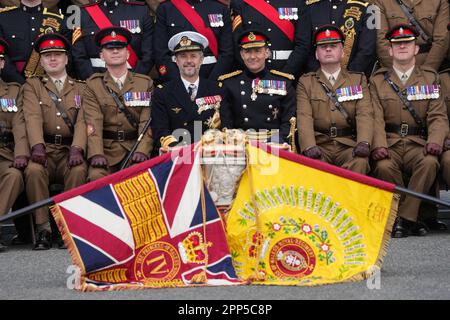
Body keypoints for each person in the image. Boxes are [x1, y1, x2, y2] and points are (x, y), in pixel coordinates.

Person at [370, 24, 448, 238]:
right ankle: (411, 218)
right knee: (384, 167)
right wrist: (378, 145)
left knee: (430, 162)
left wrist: (435, 140)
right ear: (390, 51)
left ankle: (402, 219)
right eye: (397, 44)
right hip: (390, 142)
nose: (402, 46)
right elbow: (374, 117)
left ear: (416, 50)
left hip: (418, 142)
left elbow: (438, 115)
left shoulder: (431, 78)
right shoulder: (377, 81)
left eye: (408, 43)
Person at [21, 33, 87, 250]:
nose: (52, 59)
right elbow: (32, 116)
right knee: (33, 171)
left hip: (70, 149)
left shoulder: (82, 87)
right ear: (41, 61)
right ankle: (43, 230)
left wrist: (77, 147)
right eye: (47, 55)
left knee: (78, 171)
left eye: (57, 55)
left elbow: (83, 121)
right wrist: (37, 146)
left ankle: (68, 228)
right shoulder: (32, 86)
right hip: (45, 148)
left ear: (66, 59)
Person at [297, 25, 373, 174]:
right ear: (316, 54)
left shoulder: (358, 80)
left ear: (343, 52)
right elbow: (304, 117)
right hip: (320, 145)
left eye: (333, 46)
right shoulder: (306, 82)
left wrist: (364, 142)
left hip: (348, 145)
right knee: (313, 166)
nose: (328, 49)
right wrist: (308, 146)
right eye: (323, 46)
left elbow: (365, 114)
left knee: (360, 162)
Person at [83, 26, 154, 181]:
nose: (115, 51)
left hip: (134, 148)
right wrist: (96, 153)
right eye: (110, 49)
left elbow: (147, 122)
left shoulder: (145, 83)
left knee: (139, 178)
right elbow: (93, 122)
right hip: (106, 151)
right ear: (101, 56)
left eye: (120, 48)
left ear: (128, 53)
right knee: (96, 177)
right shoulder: (93, 85)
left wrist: (143, 150)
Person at [219, 30, 296, 144]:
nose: (253, 56)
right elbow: (226, 122)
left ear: (267, 53)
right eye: (248, 51)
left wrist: (274, 142)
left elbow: (289, 120)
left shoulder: (283, 82)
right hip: (241, 144)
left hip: (273, 144)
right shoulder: (229, 84)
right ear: (241, 54)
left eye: (258, 51)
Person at [152, 31, 223, 151]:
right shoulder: (162, 92)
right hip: (177, 155)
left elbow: (226, 126)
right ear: (176, 60)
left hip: (210, 153)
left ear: (201, 60)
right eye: (183, 56)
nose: (188, 61)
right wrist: (178, 149)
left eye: (193, 56)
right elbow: (160, 130)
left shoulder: (217, 89)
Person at [153, 0, 234, 83]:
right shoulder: (166, 8)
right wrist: (178, 83)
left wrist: (211, 83)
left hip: (212, 76)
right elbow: (160, 52)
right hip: (175, 77)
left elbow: (227, 53)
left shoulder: (220, 8)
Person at [72, 0, 154, 80]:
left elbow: (148, 54)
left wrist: (135, 80)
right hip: (94, 80)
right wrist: (94, 82)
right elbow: (79, 56)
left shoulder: (140, 10)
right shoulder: (82, 13)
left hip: (133, 79)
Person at [0, 38, 30, 252]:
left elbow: (20, 126)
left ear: (2, 64)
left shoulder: (14, 91)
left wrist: (20, 154)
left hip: (4, 153)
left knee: (14, 175)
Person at [230, 0, 310, 77]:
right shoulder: (240, 3)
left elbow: (303, 44)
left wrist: (286, 75)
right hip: (252, 74)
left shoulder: (297, 2)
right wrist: (254, 73)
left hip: (288, 72)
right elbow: (237, 44)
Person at [297, 0, 376, 76]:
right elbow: (304, 47)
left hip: (353, 80)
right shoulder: (309, 7)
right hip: (316, 79)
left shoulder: (370, 9)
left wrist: (348, 76)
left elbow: (367, 50)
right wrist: (320, 77)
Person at [0, 0, 66, 84]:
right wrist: (20, 83)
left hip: (48, 86)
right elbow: (1, 56)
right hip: (10, 86)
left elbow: (66, 57)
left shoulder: (60, 21)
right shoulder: (3, 18)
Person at [373, 0, 449, 71]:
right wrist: (396, 72)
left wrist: (428, 71)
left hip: (428, 63)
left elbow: (441, 40)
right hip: (394, 66)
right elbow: (381, 40)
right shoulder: (381, 2)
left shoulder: (439, 1)